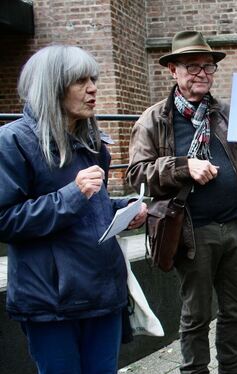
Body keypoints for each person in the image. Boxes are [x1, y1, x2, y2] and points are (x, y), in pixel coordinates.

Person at [126, 31, 237, 374]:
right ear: (173, 70)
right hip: (191, 234)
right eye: (192, 66)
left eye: (208, 66)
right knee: (196, 315)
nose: (202, 73)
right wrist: (184, 167)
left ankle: (232, 369)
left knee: (236, 310)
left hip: (236, 227)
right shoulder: (154, 119)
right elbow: (137, 174)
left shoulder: (229, 114)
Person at [0, 45, 147, 373]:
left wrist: (124, 209)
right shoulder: (12, 142)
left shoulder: (93, 142)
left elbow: (92, 204)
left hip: (103, 293)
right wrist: (71, 195)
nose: (93, 88)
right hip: (51, 302)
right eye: (80, 81)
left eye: (93, 78)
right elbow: (4, 219)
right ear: (51, 87)